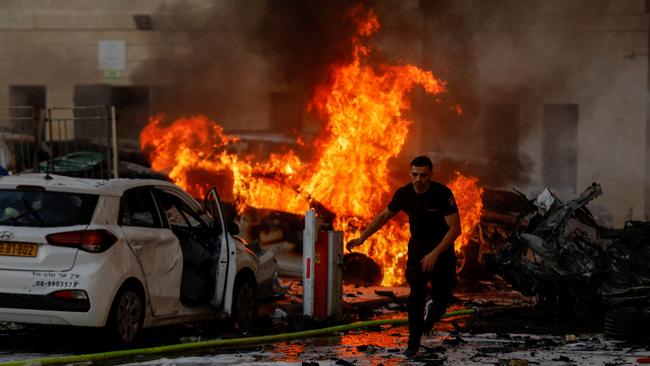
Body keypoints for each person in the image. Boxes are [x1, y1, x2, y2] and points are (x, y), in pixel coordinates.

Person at [346, 155, 461, 357]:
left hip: (442, 252)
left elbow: (455, 229)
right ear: (411, 174)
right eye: (415, 175)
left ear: (430, 175)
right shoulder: (404, 194)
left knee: (443, 295)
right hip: (417, 251)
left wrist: (435, 253)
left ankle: (432, 315)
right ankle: (413, 344)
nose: (419, 180)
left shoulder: (442, 194)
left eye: (423, 175)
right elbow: (384, 216)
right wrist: (362, 238)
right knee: (415, 297)